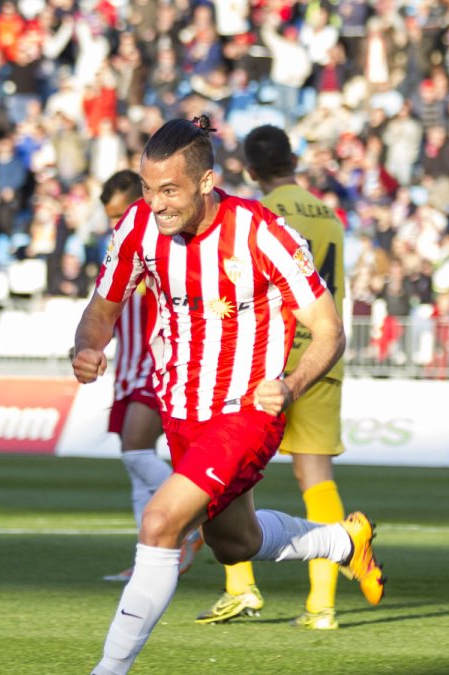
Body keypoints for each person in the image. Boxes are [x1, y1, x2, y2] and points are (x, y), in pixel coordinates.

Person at [73, 116, 385, 675]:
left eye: (169, 190)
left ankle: (108, 669)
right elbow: (104, 304)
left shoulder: (261, 232)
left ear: (207, 182)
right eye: (148, 188)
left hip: (248, 407)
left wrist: (290, 386)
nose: (156, 203)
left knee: (160, 523)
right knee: (234, 543)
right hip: (182, 408)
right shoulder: (139, 228)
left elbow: (330, 328)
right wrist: (89, 346)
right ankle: (340, 541)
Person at [195, 125, 351, 631]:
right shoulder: (329, 215)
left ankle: (240, 588)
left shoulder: (253, 216)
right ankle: (322, 605)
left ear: (249, 169)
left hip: (264, 362)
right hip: (320, 361)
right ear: (292, 161)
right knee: (316, 478)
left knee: (228, 471)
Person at [96, 169, 201, 583]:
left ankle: (197, 515)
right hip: (129, 365)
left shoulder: (165, 241)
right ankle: (151, 559)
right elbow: (107, 306)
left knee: (136, 449)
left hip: (160, 364)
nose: (115, 223)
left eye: (121, 213)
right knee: (135, 467)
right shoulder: (120, 246)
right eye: (109, 216)